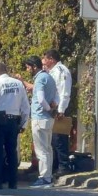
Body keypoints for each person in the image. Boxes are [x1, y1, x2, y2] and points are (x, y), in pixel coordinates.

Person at [0, 62, 30, 190]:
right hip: (13, 122)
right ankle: (13, 182)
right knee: (12, 152)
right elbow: (25, 106)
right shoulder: (19, 84)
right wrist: (24, 123)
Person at [24, 55, 59, 188]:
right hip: (48, 119)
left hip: (40, 117)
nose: (27, 70)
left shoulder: (39, 79)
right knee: (48, 149)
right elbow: (56, 95)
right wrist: (52, 109)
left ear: (34, 66)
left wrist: (48, 108)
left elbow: (40, 98)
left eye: (28, 67)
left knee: (41, 150)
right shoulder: (49, 77)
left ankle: (44, 178)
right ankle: (48, 177)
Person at [42, 49, 72, 173]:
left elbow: (64, 91)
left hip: (60, 108)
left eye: (45, 59)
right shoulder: (52, 71)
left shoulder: (61, 70)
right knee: (52, 139)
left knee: (59, 139)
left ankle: (63, 167)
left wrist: (61, 110)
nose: (43, 61)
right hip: (53, 108)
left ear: (51, 59)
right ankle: (54, 166)